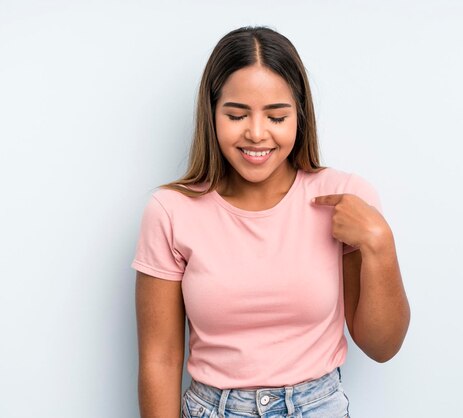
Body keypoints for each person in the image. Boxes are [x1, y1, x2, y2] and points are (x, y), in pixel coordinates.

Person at [131, 26, 410, 418]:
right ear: (212, 114)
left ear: (299, 114)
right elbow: (159, 358)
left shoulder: (344, 198)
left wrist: (380, 244)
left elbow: (382, 347)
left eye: (277, 116)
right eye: (236, 114)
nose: (257, 134)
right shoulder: (170, 210)